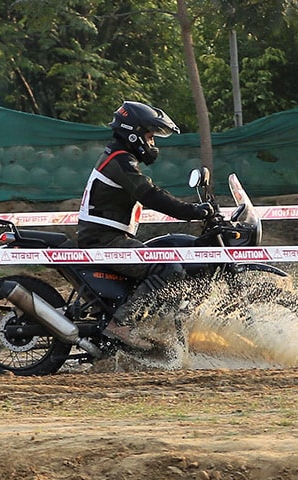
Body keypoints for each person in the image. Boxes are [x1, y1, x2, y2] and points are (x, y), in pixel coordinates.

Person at [77, 101, 213, 350]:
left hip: (108, 237)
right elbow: (149, 194)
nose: (152, 143)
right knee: (167, 268)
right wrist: (191, 211)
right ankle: (122, 323)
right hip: (104, 240)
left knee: (165, 256)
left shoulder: (118, 157)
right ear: (134, 132)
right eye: (150, 136)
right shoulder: (119, 160)